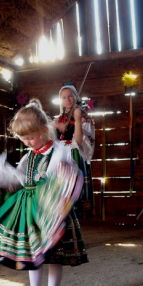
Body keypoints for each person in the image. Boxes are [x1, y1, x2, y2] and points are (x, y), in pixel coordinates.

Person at [0, 98, 89, 286]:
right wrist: (5, 175)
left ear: (44, 130)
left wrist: (61, 175)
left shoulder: (58, 152)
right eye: (24, 139)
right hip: (29, 213)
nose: (28, 143)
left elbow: (67, 176)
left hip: (49, 211)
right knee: (33, 256)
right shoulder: (27, 157)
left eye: (31, 137)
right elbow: (21, 179)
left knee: (53, 257)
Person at [54, 85, 95, 218]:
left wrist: (77, 120)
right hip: (63, 154)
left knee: (77, 180)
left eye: (70, 96)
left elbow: (78, 141)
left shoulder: (81, 113)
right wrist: (56, 125)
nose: (68, 99)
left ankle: (81, 211)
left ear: (75, 97)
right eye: (64, 97)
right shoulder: (60, 118)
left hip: (75, 152)